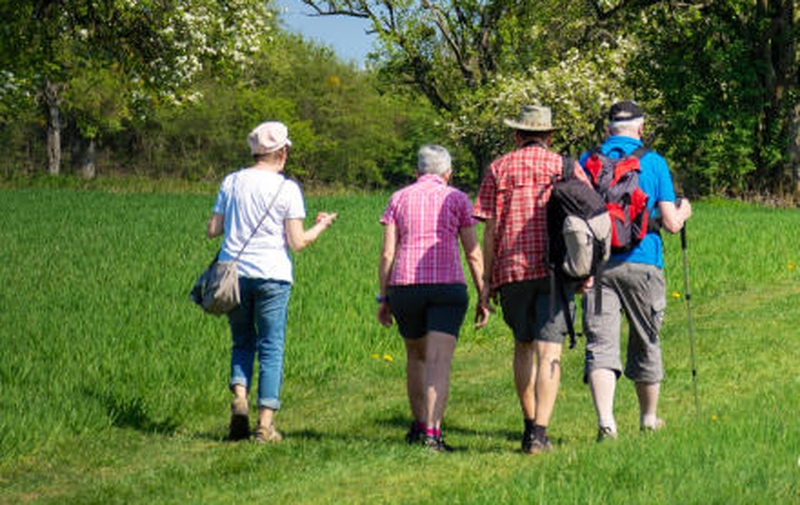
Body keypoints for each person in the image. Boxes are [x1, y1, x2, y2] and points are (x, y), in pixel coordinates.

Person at [206, 121, 337, 443]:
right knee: (271, 347)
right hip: (273, 276)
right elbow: (297, 242)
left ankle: (239, 397)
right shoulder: (287, 188)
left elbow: (212, 230)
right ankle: (265, 424)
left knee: (242, 342)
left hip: (234, 275)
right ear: (282, 152)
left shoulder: (232, 181)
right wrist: (321, 225)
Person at [473, 105, 591, 455]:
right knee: (550, 350)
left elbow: (490, 230)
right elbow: (586, 220)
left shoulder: (498, 168)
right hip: (557, 271)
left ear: (516, 136)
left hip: (511, 270)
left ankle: (528, 427)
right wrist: (586, 270)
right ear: (550, 137)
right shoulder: (565, 167)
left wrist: (486, 282)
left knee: (522, 346)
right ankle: (541, 434)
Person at [579, 101, 692, 442]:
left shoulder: (588, 162)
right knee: (646, 338)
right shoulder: (654, 162)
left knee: (600, 343)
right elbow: (671, 223)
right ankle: (648, 418)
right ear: (641, 129)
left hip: (598, 266)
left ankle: (606, 423)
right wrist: (685, 210)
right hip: (644, 264)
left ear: (608, 129)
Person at [378, 144, 489, 452]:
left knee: (415, 356)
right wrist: (483, 293)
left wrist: (384, 297)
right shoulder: (457, 198)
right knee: (439, 362)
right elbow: (472, 252)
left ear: (417, 172)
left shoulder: (398, 198)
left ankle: (417, 426)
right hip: (446, 287)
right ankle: (432, 433)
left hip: (405, 286)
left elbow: (388, 252)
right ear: (448, 173)